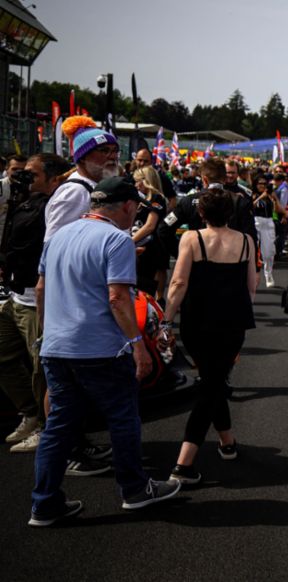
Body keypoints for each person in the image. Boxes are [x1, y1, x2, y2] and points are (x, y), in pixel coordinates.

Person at [30, 176, 182, 527]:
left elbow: (40, 290)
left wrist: (45, 335)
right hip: (100, 348)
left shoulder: (58, 237)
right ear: (127, 206)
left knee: (58, 426)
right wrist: (137, 345)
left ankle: (44, 503)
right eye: (137, 210)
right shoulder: (117, 240)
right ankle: (134, 490)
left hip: (57, 346)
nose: (137, 217)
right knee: (123, 418)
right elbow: (117, 298)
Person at [162, 189, 257, 485]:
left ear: (201, 214)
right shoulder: (246, 241)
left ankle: (192, 460)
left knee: (211, 381)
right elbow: (251, 286)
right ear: (230, 213)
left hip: (196, 322)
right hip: (232, 322)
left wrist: (166, 320)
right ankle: (193, 460)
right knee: (213, 382)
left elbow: (178, 282)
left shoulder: (191, 238)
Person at [0, 154, 68, 453]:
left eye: (31, 175)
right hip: (13, 296)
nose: (24, 180)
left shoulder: (54, 208)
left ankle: (45, 425)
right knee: (3, 356)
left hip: (36, 300)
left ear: (54, 179)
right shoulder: (19, 201)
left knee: (43, 369)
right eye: (20, 174)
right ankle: (29, 413)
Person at [46, 116, 121, 242]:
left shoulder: (95, 186)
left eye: (115, 151)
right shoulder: (75, 192)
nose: (113, 156)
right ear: (82, 157)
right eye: (104, 150)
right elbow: (54, 243)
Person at [131, 166, 169, 298]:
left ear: (146, 180)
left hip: (149, 247)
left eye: (138, 181)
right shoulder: (139, 199)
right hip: (137, 243)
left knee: (145, 286)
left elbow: (150, 226)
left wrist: (129, 241)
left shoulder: (157, 198)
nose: (136, 184)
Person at [252, 175, 283, 287]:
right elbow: (250, 207)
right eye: (260, 183)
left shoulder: (270, 196)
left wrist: (274, 200)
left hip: (269, 222)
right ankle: (251, 274)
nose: (263, 186)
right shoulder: (253, 194)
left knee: (269, 252)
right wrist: (260, 197)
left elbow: (277, 210)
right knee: (253, 250)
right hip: (256, 222)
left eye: (265, 184)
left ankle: (268, 274)